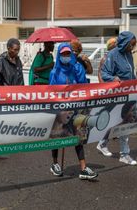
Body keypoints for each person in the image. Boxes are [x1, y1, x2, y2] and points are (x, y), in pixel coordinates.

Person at [48, 43, 97, 180]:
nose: (66, 56)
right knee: (57, 138)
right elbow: (52, 91)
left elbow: (84, 86)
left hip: (75, 109)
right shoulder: (55, 72)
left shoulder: (76, 68)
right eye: (63, 54)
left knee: (78, 137)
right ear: (59, 55)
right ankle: (55, 164)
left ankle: (83, 168)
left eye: (68, 54)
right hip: (61, 110)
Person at [98, 31, 137, 166]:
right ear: (125, 43)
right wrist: (115, 79)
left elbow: (130, 73)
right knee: (113, 121)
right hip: (116, 94)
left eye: (133, 45)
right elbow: (104, 73)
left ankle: (124, 154)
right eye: (130, 45)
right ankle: (103, 143)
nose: (132, 48)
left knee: (126, 123)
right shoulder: (113, 55)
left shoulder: (129, 55)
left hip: (128, 94)